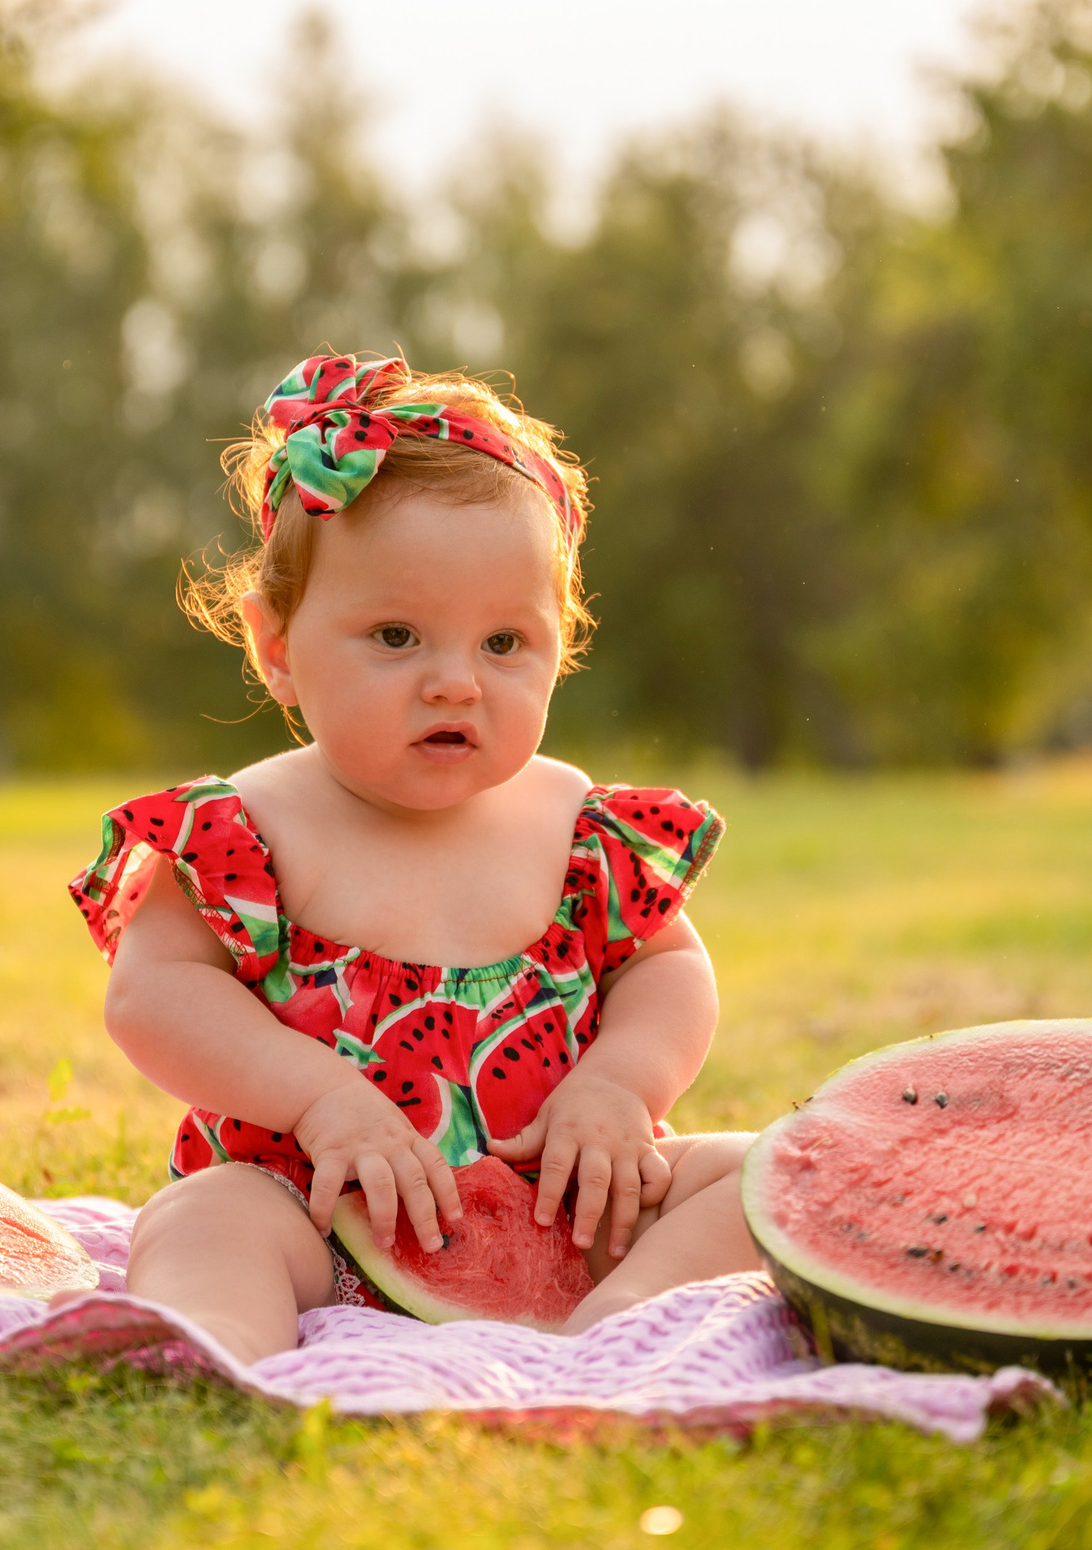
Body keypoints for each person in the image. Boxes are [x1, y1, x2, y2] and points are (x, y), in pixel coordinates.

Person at [70, 353, 756, 1364]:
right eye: (396, 635)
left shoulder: (579, 825)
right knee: (204, 1217)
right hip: (315, 1208)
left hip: (569, 1210)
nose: (455, 683)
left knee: (766, 1172)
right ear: (278, 644)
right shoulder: (240, 829)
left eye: (504, 643)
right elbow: (152, 995)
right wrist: (317, 1097)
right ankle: (216, 1348)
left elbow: (668, 967)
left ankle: (620, 1324)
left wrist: (619, 1085)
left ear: (561, 641)